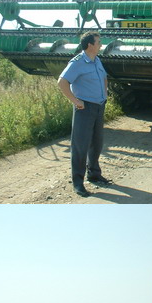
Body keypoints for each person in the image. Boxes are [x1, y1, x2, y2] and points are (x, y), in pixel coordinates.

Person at [58, 31, 110, 197]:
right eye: (98, 42)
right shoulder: (78, 62)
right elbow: (62, 82)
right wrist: (75, 100)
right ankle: (78, 183)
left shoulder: (96, 60)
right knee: (80, 145)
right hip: (85, 107)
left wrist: (105, 92)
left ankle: (94, 174)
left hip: (99, 106)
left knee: (97, 142)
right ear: (90, 45)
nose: (101, 44)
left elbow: (104, 77)